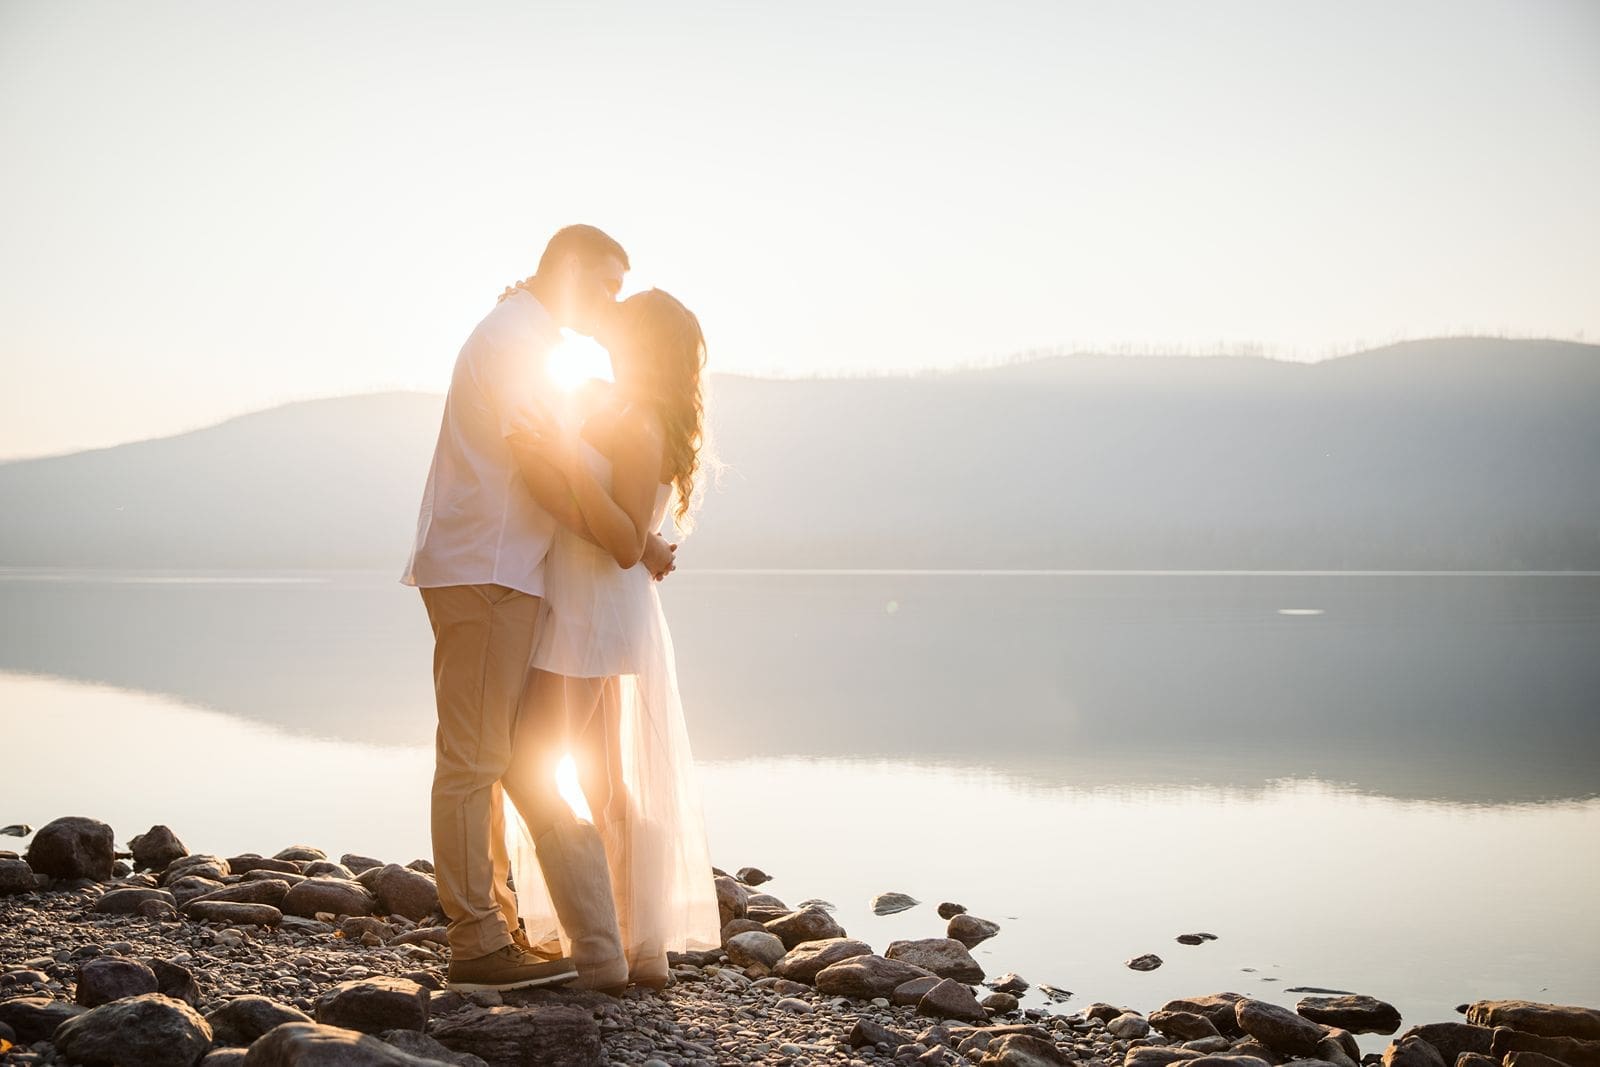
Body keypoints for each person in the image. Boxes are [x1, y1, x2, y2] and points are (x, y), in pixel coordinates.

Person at [401, 225, 676, 992]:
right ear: (567, 268)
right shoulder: (518, 342)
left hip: (491, 568)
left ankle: (493, 926)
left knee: (484, 757)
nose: (609, 305)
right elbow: (548, 472)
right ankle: (478, 941)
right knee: (474, 761)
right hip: (489, 569)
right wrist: (637, 542)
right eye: (605, 285)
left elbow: (557, 462)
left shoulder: (522, 335)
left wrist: (641, 537)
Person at [501, 288, 723, 991]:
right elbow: (631, 527)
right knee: (600, 781)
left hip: (594, 612)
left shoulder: (642, 423)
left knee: (531, 761)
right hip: (587, 604)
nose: (607, 335)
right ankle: (634, 943)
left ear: (646, 346)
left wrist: (567, 458)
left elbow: (623, 541)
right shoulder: (615, 404)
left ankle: (610, 944)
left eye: (622, 329)